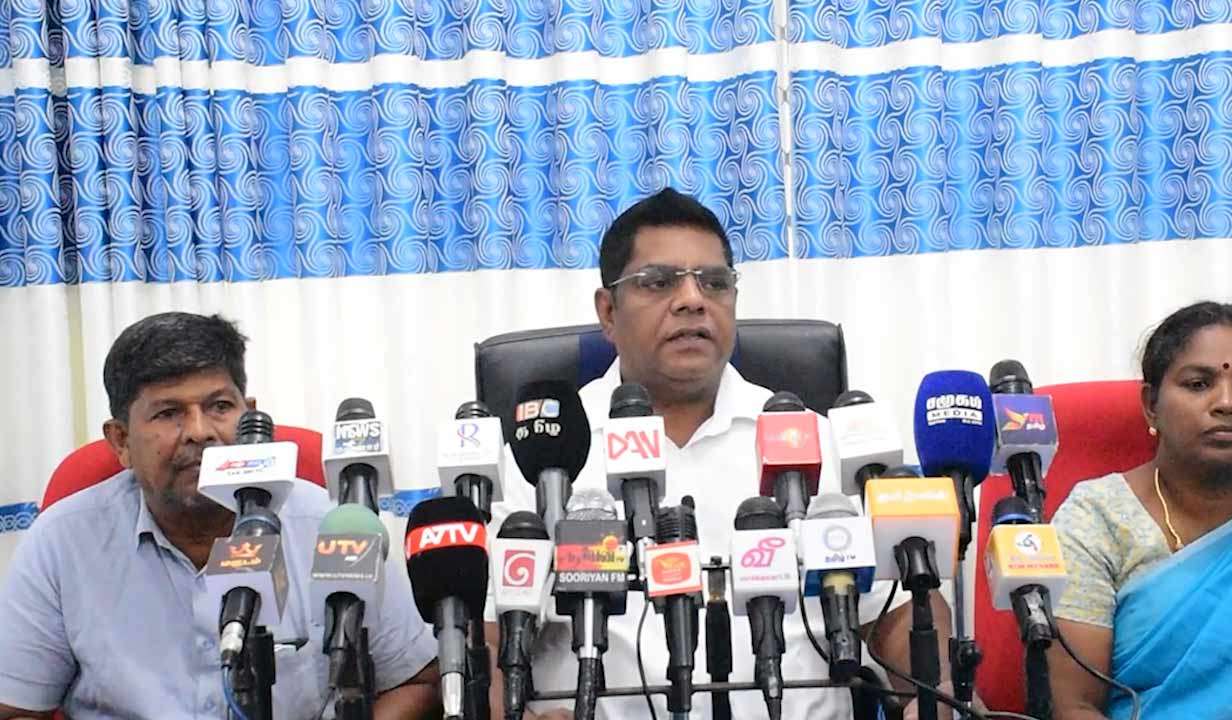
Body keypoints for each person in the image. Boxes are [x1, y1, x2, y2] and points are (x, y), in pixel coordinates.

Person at [488, 188, 955, 719]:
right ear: (608, 311)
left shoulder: (815, 443)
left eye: (714, 282)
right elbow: (483, 637)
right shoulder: (542, 457)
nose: (692, 300)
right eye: (659, 282)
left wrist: (931, 695)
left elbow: (900, 614)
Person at [0, 312, 440, 720]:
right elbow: (17, 709)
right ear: (121, 441)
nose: (200, 431)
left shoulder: (332, 527)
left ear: (250, 418)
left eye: (220, 407)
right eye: (168, 413)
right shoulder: (61, 542)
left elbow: (415, 681)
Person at [1049, 301, 1232, 719]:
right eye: (1198, 384)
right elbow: (1073, 705)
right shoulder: (1097, 519)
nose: (1227, 402)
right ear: (1151, 405)